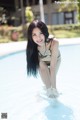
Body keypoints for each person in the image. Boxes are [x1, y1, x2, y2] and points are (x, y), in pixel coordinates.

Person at [26, 20, 61, 99]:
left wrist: (54, 89)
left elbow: (52, 67)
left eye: (40, 33)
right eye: (34, 34)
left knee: (53, 87)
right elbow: (41, 66)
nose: (38, 38)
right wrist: (50, 89)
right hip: (43, 62)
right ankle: (46, 90)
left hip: (55, 60)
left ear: (45, 32)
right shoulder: (33, 47)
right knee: (47, 86)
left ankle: (53, 90)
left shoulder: (54, 43)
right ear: (31, 36)